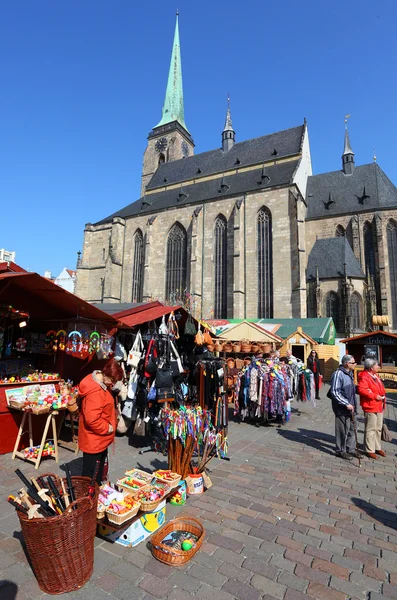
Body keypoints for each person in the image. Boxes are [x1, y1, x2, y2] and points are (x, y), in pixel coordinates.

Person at [78, 358, 124, 484]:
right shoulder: (96, 392)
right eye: (112, 380)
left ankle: (94, 496)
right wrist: (107, 427)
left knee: (96, 472)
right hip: (95, 439)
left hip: (98, 439)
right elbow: (92, 420)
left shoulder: (100, 382)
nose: (112, 384)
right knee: (91, 476)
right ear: (105, 375)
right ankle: (87, 500)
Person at [329, 355, 359, 460]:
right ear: (347, 363)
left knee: (353, 427)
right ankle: (340, 450)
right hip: (342, 408)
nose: (355, 364)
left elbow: (350, 388)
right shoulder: (338, 374)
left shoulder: (350, 373)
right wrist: (346, 403)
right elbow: (335, 392)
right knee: (342, 430)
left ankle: (350, 449)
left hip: (352, 406)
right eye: (353, 362)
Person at [357, 358, 386, 459]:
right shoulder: (364, 376)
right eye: (377, 365)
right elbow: (362, 389)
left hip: (379, 405)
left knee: (378, 428)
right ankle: (369, 449)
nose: (378, 367)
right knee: (370, 428)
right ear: (371, 367)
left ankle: (377, 447)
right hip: (371, 405)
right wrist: (374, 396)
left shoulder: (375, 376)